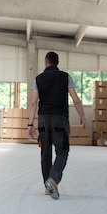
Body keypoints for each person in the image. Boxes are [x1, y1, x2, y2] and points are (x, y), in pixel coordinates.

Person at [27, 51, 87, 200]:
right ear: (57, 63)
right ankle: (53, 179)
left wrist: (30, 124)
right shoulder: (65, 77)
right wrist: (82, 117)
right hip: (60, 119)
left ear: (46, 62)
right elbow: (76, 100)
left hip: (43, 121)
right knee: (62, 152)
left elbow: (33, 102)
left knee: (45, 153)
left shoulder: (38, 79)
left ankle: (47, 186)